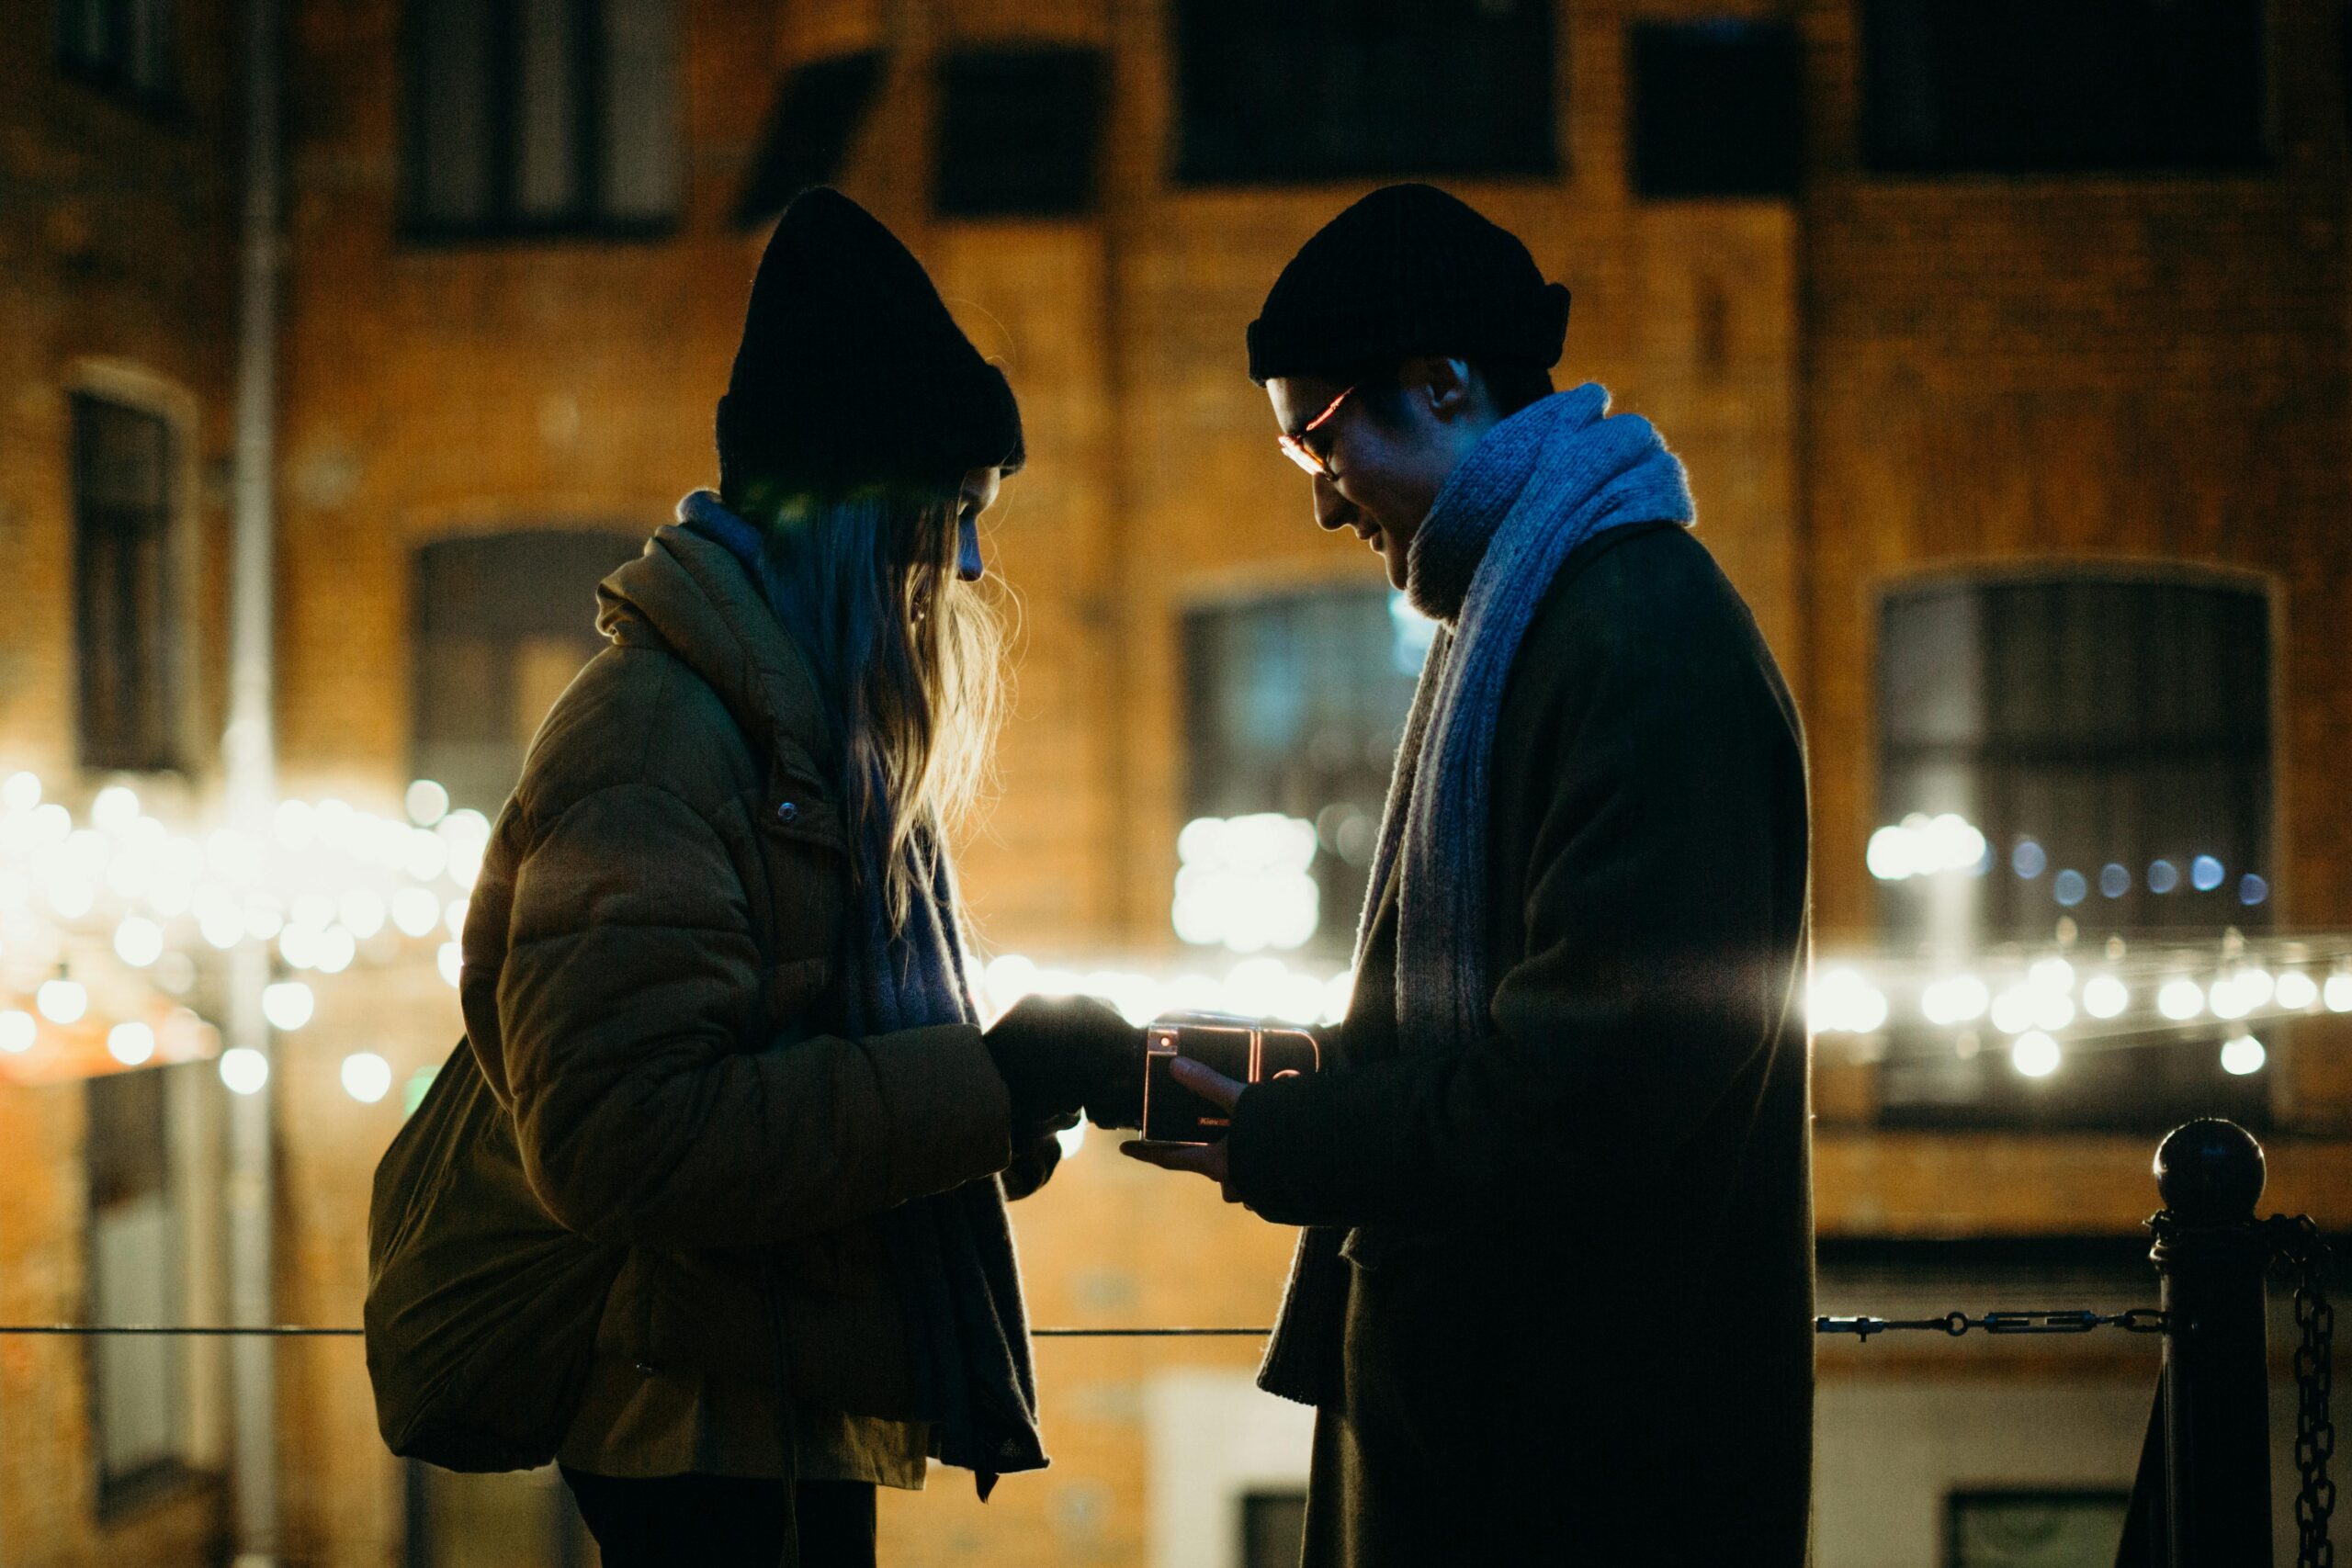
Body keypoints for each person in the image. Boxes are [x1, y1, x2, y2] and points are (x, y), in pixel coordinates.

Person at [1124, 184, 1815, 1566]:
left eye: (1318, 439)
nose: (1323, 506)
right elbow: (1493, 1038)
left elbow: (1597, 1087)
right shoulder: (1536, 613)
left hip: (1579, 1466)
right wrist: (1263, 1089)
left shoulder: (1632, 636)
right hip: (1533, 1432)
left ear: (1442, 385)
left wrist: (1297, 1139)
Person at [458, 187, 1140, 1567]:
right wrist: (989, 1084)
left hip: (769, 1396)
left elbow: (801, 1056)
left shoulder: (792, 736)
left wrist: (988, 1118)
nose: (962, 562)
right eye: (947, 513)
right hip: (694, 1426)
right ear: (850, 512)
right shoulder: (655, 736)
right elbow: (621, 1139)